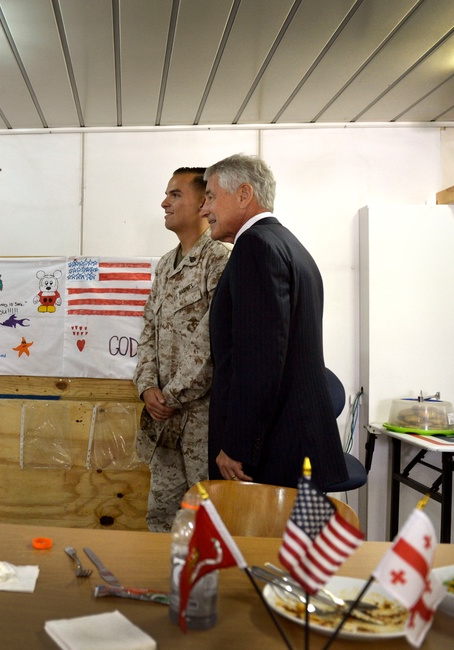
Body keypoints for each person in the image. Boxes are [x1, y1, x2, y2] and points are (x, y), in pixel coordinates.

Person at [203, 153, 346, 489]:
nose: (204, 209)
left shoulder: (255, 246)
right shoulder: (288, 244)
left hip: (272, 452)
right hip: (293, 441)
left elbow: (260, 361)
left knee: (258, 544)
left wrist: (237, 445)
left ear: (243, 194)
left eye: (210, 196)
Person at [133, 167, 229, 532]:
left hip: (202, 422)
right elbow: (148, 331)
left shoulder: (219, 260)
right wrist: (146, 387)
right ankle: (162, 586)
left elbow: (211, 343)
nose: (164, 202)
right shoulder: (164, 265)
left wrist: (170, 396)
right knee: (161, 520)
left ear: (204, 202)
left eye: (175, 194)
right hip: (163, 420)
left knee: (206, 523)